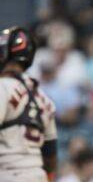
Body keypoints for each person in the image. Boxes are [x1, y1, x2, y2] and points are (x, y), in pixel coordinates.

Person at [0, 26, 57, 182]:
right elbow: (50, 152)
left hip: (7, 174)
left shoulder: (3, 87)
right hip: (37, 175)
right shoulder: (44, 98)